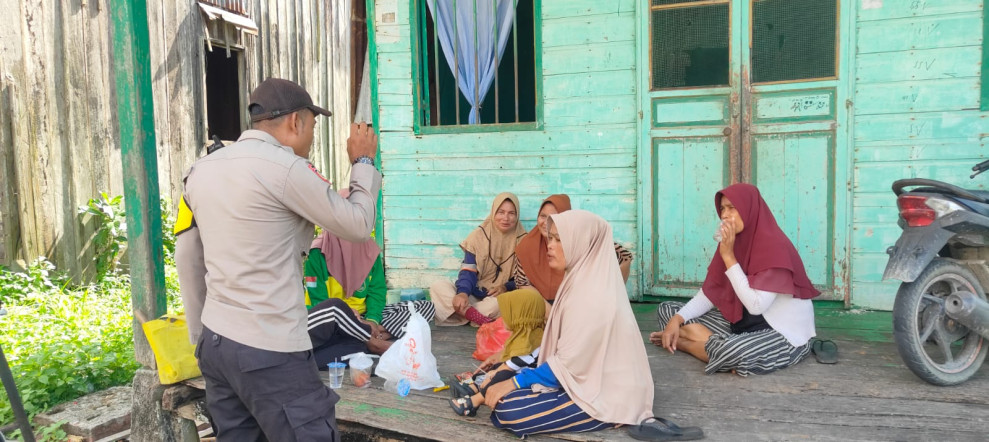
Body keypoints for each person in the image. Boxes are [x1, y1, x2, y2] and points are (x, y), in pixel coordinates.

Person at [175, 77, 380, 441]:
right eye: (313, 125)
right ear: (294, 122)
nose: (313, 136)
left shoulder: (200, 170)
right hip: (269, 349)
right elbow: (358, 225)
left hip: (217, 343)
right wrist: (363, 162)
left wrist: (200, 335)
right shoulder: (286, 169)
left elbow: (188, 256)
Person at [483, 210, 701, 440]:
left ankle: (613, 415)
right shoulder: (579, 281)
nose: (550, 245)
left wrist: (516, 380)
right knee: (498, 386)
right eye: (551, 238)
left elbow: (567, 364)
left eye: (559, 239)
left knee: (510, 408)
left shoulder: (591, 295)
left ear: (582, 245)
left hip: (606, 394)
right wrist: (509, 370)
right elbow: (564, 352)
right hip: (586, 377)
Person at [649, 183, 820, 376]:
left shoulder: (775, 248)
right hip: (742, 323)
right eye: (722, 208)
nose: (724, 215)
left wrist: (729, 257)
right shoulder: (735, 241)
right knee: (668, 311)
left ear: (749, 210)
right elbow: (709, 294)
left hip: (781, 333)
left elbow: (756, 306)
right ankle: (715, 347)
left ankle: (687, 343)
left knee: (734, 351)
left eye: (732, 208)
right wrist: (676, 320)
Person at [304, 228, 434, 366]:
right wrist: (348, 315)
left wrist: (372, 320)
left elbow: (377, 291)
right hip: (333, 322)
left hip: (364, 316)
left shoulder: (369, 250)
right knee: (335, 307)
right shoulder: (317, 252)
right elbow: (318, 301)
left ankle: (369, 334)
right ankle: (373, 342)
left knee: (424, 307)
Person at [511, 194, 633, 304]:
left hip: (578, 306)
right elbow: (522, 283)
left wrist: (608, 293)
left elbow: (624, 257)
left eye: (554, 217)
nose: (545, 222)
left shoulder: (581, 238)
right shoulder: (528, 245)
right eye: (542, 216)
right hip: (541, 307)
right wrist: (550, 314)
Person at [430, 193, 527, 326]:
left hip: (496, 297)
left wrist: (505, 287)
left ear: (517, 216)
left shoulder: (524, 241)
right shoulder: (478, 236)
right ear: (493, 213)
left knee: (498, 305)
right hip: (473, 293)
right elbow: (468, 270)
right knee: (438, 286)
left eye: (511, 213)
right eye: (501, 212)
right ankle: (477, 317)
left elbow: (524, 278)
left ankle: (463, 314)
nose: (506, 218)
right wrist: (463, 293)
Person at [448, 288, 544, 416]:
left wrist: (493, 374)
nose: (502, 318)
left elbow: (509, 367)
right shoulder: (527, 334)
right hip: (519, 371)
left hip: (524, 380)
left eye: (507, 314)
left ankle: (473, 402)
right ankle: (474, 387)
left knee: (500, 374)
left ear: (519, 317)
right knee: (495, 367)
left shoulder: (530, 343)